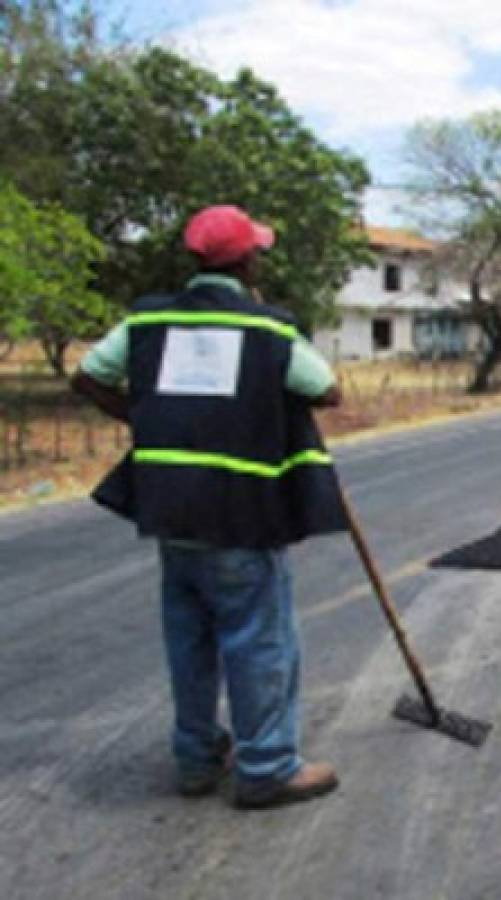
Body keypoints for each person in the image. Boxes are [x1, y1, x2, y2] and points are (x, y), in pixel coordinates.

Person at [71, 205, 348, 809]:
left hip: (171, 512)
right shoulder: (268, 329)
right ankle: (268, 766)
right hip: (240, 515)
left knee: (190, 640)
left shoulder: (148, 320)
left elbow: (88, 376)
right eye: (259, 252)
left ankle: (196, 758)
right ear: (248, 260)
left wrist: (145, 420)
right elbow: (326, 389)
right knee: (259, 641)